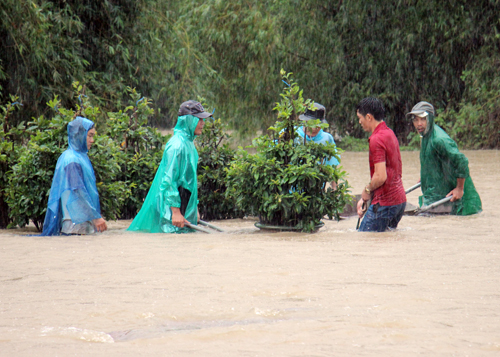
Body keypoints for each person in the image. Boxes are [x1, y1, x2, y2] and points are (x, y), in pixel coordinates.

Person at [127, 100, 210, 233]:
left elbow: (189, 182)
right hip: (170, 213)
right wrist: (175, 211)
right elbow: (169, 180)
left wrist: (194, 209)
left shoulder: (189, 145)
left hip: (182, 209)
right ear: (188, 120)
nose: (202, 123)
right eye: (199, 119)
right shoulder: (176, 146)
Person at [406, 101, 482, 215]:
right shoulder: (425, 136)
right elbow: (432, 160)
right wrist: (426, 176)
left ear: (430, 119)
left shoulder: (439, 140)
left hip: (460, 204)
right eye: (415, 120)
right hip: (436, 195)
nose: (419, 124)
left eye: (422, 119)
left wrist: (460, 188)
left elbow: (461, 161)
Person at [41, 116, 107, 236]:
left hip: (80, 223)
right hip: (75, 225)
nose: (92, 140)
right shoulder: (72, 159)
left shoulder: (78, 157)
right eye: (90, 135)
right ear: (80, 135)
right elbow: (78, 191)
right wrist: (95, 217)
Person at [356, 97, 406, 232]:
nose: (359, 122)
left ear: (369, 117)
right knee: (383, 242)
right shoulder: (389, 133)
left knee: (365, 240)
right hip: (399, 202)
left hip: (385, 204)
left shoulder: (376, 139)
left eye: (360, 118)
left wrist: (367, 191)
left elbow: (380, 176)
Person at [297, 102, 340, 190]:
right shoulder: (291, 134)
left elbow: (332, 167)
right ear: (305, 121)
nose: (314, 129)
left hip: (316, 191)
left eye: (318, 125)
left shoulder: (327, 139)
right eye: (312, 124)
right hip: (292, 193)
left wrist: (335, 190)